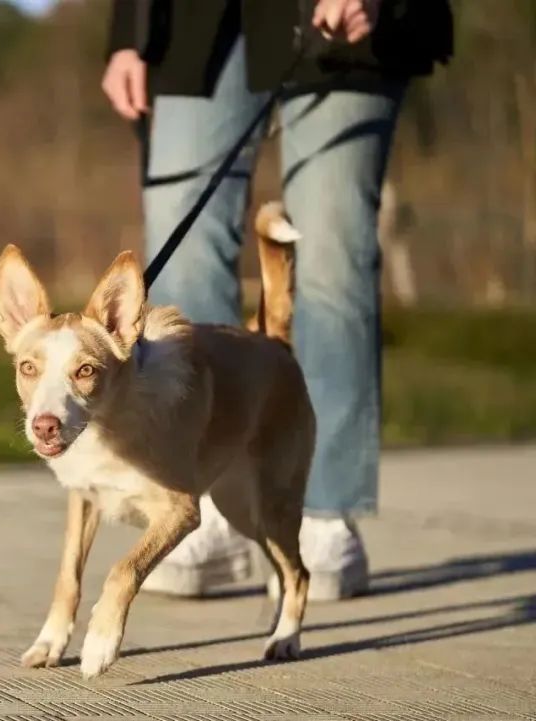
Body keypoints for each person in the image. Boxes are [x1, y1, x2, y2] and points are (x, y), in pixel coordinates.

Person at [101, 0, 452, 601]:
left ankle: (324, 506)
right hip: (197, 25)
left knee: (331, 252)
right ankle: (206, 504)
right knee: (179, 255)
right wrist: (129, 36)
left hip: (341, 23)